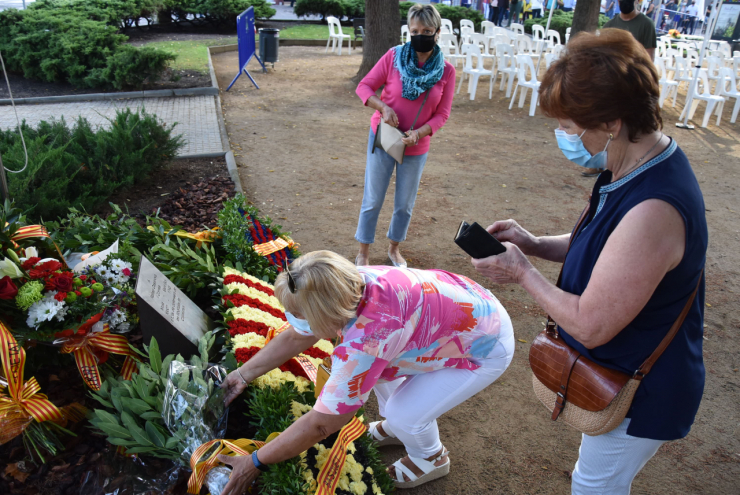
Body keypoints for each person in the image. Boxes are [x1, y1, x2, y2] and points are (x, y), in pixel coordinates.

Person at [472, 29, 707, 495]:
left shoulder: (654, 211)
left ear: (613, 121)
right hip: (616, 373)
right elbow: (604, 251)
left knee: (595, 485)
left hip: (642, 387)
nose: (563, 135)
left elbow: (592, 324)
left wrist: (523, 271)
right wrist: (537, 242)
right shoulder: (631, 165)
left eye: (569, 124)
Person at [219, 251, 515, 492]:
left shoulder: (366, 342)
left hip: (484, 346)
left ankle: (431, 458)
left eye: (300, 314)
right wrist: (242, 375)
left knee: (403, 413)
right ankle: (398, 429)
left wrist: (255, 461)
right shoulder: (344, 284)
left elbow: (322, 425)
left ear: (325, 313)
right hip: (464, 308)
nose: (294, 319)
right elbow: (298, 335)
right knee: (387, 388)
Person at [354, 4, 455, 268]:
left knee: (404, 205)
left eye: (427, 30)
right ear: (408, 30)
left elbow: (442, 114)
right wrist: (383, 107)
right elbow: (364, 87)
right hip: (385, 137)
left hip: (416, 146)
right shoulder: (393, 56)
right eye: (415, 30)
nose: (421, 35)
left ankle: (394, 248)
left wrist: (420, 133)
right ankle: (363, 251)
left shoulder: (447, 71)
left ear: (438, 32)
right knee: (373, 198)